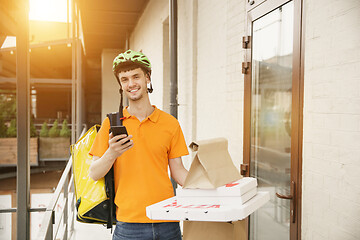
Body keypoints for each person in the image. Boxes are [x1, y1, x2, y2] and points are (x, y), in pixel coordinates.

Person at [88, 49, 189, 240]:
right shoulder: (112, 124)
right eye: (124, 79)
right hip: (129, 226)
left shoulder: (170, 124)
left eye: (136, 76)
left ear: (147, 78)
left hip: (168, 220)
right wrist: (112, 153)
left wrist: (211, 186)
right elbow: (94, 173)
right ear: (120, 84)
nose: (131, 84)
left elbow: (179, 172)